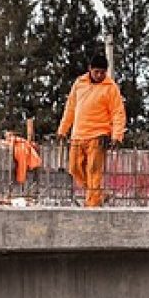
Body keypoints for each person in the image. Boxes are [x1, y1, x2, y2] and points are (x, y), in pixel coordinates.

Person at [56, 54, 126, 207]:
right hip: (77, 135)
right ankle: (98, 193)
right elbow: (70, 108)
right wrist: (63, 129)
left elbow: (118, 112)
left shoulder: (111, 88)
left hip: (98, 136)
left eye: (103, 72)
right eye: (97, 72)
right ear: (90, 70)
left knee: (94, 171)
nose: (100, 75)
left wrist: (117, 136)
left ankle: (92, 206)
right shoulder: (79, 83)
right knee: (74, 168)